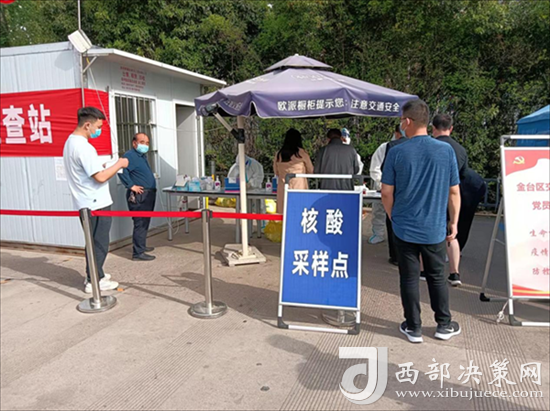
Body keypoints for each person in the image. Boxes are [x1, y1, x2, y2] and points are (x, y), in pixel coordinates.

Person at [381, 99, 461, 343]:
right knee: (437, 276)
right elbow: (454, 192)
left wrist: (393, 216)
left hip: (404, 226)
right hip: (434, 227)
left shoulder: (396, 151)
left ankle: (413, 327)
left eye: (401, 121)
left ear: (407, 121)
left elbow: (386, 192)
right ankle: (443, 324)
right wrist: (454, 222)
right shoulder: (445, 151)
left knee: (409, 277)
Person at [63, 107, 128, 293]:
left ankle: (95, 273)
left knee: (92, 241)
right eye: (98, 127)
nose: (98, 131)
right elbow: (100, 177)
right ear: (87, 125)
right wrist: (119, 164)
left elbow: (91, 171)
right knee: (99, 242)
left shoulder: (70, 142)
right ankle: (94, 281)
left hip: (85, 201)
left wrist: (105, 165)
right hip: (95, 203)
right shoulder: (83, 147)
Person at [431, 114, 486, 286]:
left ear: (432, 128)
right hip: (461, 193)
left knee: (429, 232)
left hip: (439, 194)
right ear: (451, 128)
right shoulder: (460, 149)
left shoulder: (431, 146)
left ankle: (425, 271)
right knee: (453, 232)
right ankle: (454, 273)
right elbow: (461, 175)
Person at [118, 132, 157, 261]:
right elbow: (121, 170)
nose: (145, 145)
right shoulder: (130, 156)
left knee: (145, 221)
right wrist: (131, 185)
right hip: (139, 195)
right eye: (142, 142)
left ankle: (141, 246)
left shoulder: (141, 156)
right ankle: (138, 253)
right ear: (134, 143)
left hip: (148, 193)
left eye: (147, 143)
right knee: (140, 222)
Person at [368, 125, 406, 248]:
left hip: (396, 189)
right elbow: (375, 168)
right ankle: (378, 234)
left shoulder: (390, 147)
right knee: (380, 211)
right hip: (388, 188)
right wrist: (382, 183)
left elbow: (374, 168)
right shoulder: (385, 147)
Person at [273, 128, 314, 213]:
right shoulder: (301, 153)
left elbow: (276, 172)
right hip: (299, 186)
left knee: (284, 212)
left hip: (283, 187)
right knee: (299, 212)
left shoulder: (279, 154)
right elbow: (310, 170)